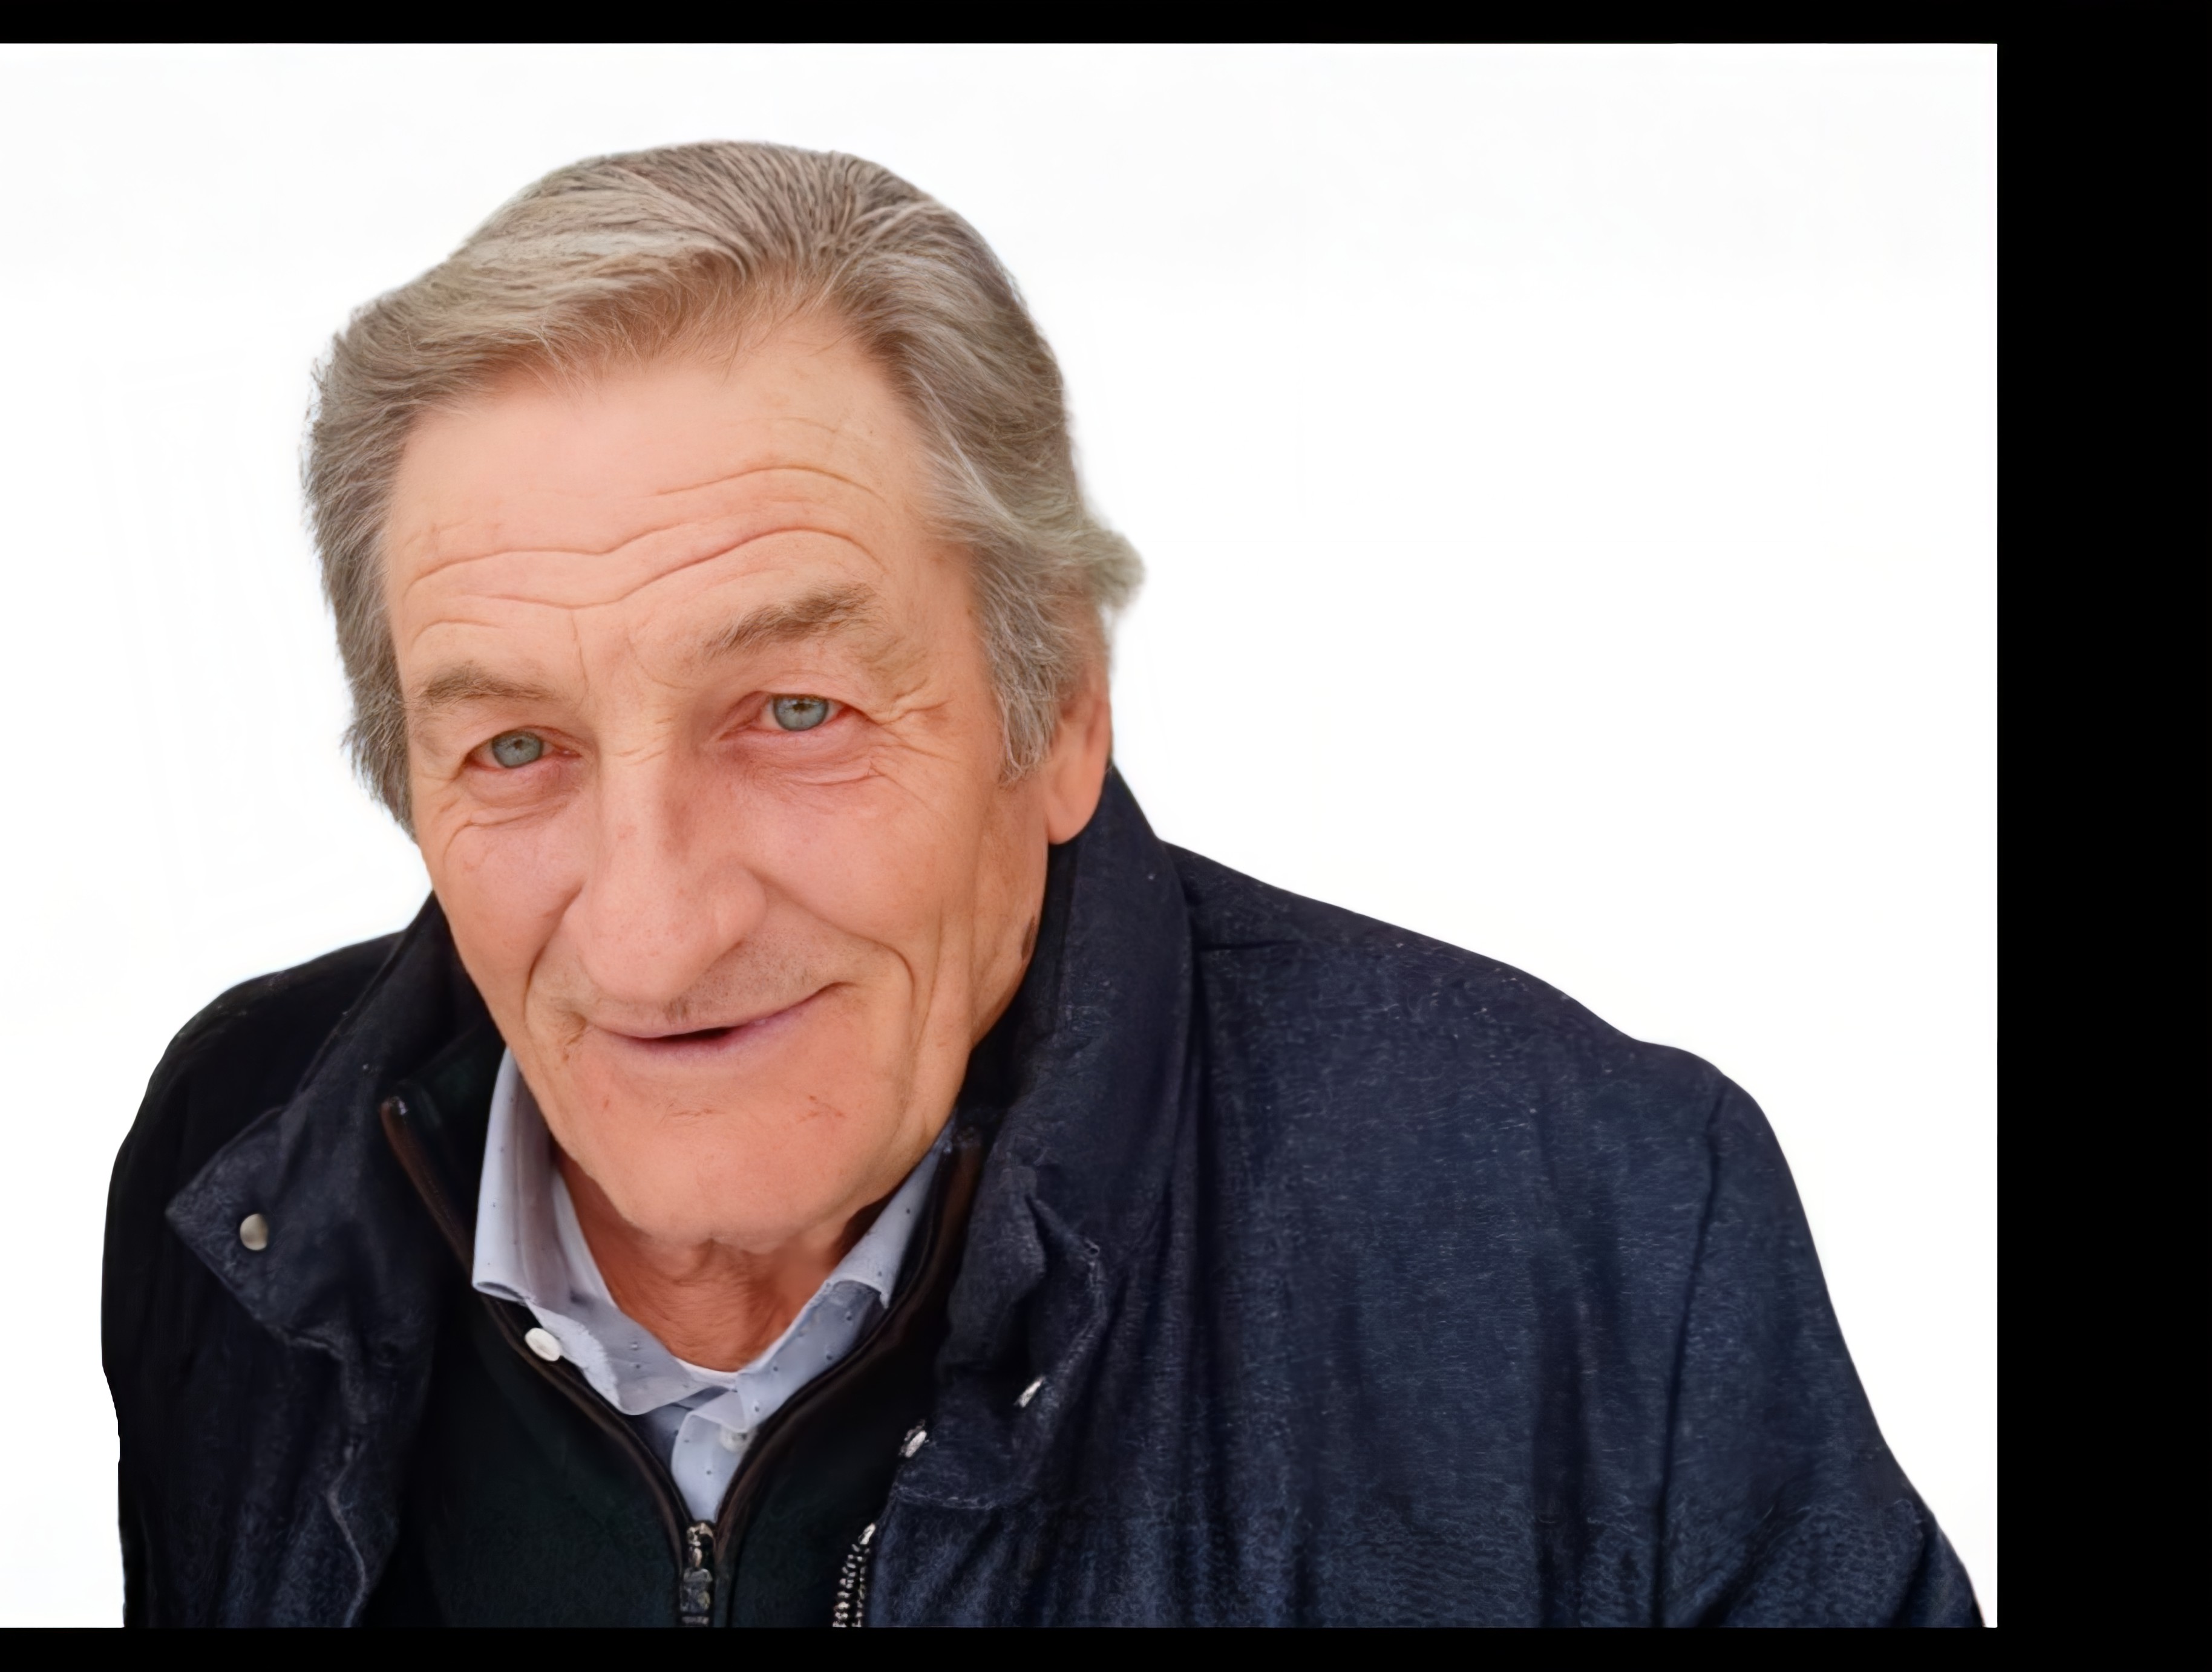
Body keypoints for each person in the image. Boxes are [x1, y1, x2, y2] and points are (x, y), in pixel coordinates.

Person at [102, 140, 1980, 1627]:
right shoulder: (240, 1168)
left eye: (796, 710)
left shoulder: (1593, 1232)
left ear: (1059, 703)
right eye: (516, 745)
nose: (655, 934)